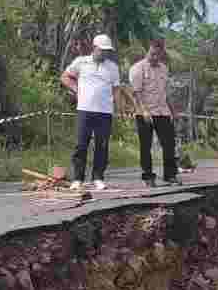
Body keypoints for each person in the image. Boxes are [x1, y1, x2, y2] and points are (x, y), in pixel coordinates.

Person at [61, 34, 125, 191]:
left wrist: (120, 108)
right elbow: (65, 77)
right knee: (81, 144)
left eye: (107, 51)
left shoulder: (113, 67)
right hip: (85, 110)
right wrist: (77, 89)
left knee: (101, 146)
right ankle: (78, 178)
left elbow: (116, 90)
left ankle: (98, 177)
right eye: (102, 50)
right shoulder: (81, 62)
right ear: (95, 48)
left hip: (105, 112)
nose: (105, 53)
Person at [129, 38, 181, 188]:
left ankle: (170, 175)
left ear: (161, 53)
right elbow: (136, 93)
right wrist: (144, 111)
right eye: (152, 54)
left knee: (169, 144)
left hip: (163, 112)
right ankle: (148, 177)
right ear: (148, 50)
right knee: (146, 146)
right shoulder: (137, 68)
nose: (154, 57)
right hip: (144, 113)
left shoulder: (164, 69)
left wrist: (173, 110)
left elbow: (166, 92)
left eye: (158, 55)